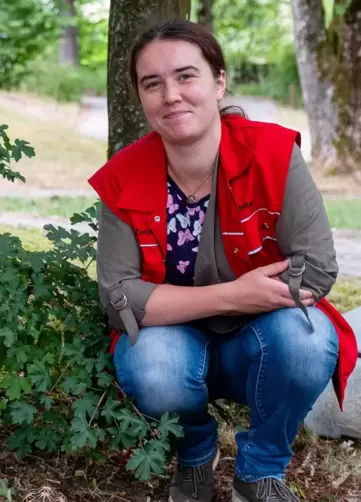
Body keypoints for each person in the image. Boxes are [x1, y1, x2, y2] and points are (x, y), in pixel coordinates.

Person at [88, 19, 357, 502]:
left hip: (261, 342)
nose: (171, 94)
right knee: (153, 363)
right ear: (141, 97)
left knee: (307, 338)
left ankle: (259, 471)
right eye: (153, 83)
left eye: (186, 76)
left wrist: (169, 301)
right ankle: (194, 451)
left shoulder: (273, 153)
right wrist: (235, 294)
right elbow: (118, 297)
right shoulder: (122, 177)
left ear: (218, 81)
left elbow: (315, 270)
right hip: (170, 345)